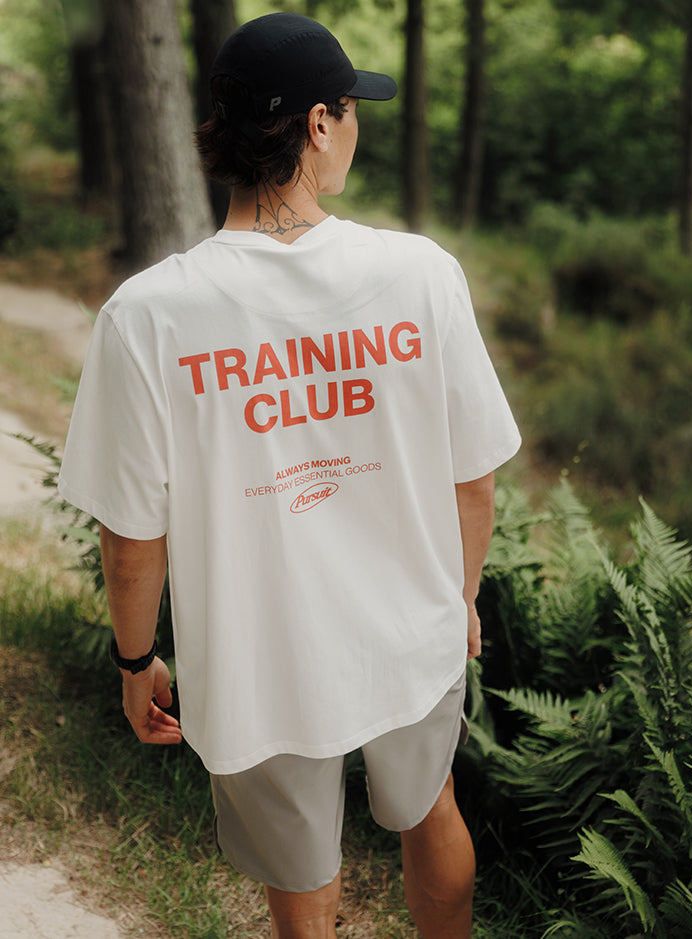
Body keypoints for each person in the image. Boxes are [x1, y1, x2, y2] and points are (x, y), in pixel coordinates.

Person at [58, 12, 521, 938]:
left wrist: (136, 658)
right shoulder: (421, 274)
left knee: (302, 875)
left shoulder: (147, 316)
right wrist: (461, 595)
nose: (354, 129)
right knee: (431, 809)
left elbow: (131, 532)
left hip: (260, 654)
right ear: (318, 124)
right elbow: (475, 478)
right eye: (350, 110)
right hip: (410, 626)